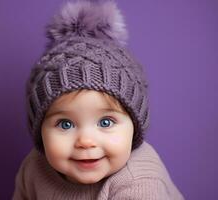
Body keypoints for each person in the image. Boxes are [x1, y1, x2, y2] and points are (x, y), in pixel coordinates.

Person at [12, 0, 184, 199]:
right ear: (40, 131)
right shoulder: (34, 168)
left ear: (135, 127)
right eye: (65, 124)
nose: (86, 141)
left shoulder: (140, 183)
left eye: (106, 122)